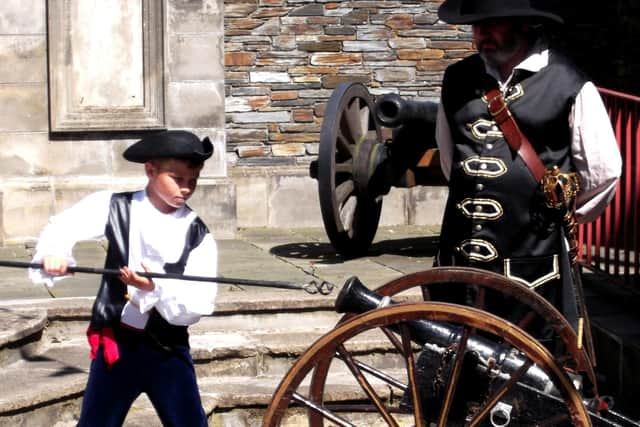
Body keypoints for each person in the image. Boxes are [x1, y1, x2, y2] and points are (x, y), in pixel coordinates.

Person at [432, 0, 622, 346]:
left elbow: (603, 171)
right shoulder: (457, 79)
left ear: (523, 24)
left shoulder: (569, 83)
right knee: (455, 361)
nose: (480, 33)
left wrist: (562, 214)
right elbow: (450, 161)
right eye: (475, 24)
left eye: (492, 23)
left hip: (533, 262)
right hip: (459, 258)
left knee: (531, 366)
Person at [29, 130, 218, 426]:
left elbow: (198, 302)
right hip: (116, 347)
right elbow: (63, 227)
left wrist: (155, 289)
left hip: (167, 350)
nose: (185, 189)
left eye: (192, 182)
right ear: (150, 170)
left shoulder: (198, 234)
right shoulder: (115, 205)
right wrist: (55, 254)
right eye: (177, 179)